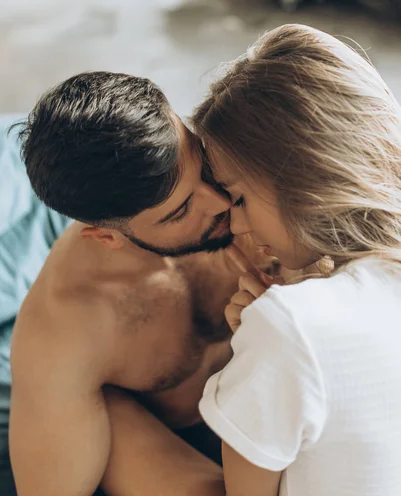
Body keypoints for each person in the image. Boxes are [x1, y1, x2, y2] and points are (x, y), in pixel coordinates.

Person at [97, 24, 401, 496]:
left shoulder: (292, 323)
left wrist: (268, 342)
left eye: (236, 196)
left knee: (111, 411)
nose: (235, 225)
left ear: (303, 175)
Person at [8, 72, 280, 496]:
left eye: (203, 166)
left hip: (270, 400)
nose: (223, 201)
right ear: (107, 236)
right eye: (180, 211)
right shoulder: (69, 330)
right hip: (169, 433)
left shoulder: (247, 167)